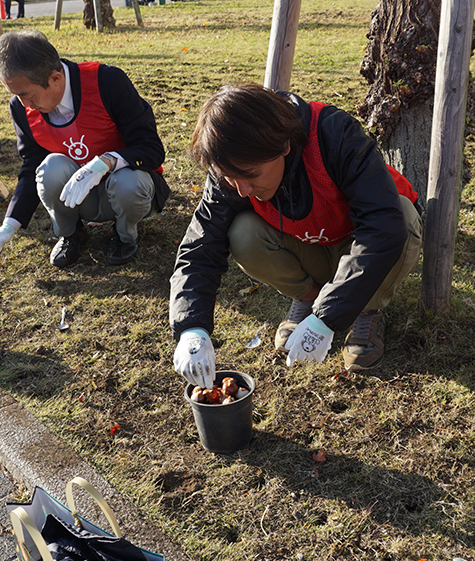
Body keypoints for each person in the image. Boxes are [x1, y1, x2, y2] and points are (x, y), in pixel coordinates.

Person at [170, 83, 423, 388]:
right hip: (311, 245)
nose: (242, 190)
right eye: (228, 178)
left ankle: (367, 311)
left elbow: (382, 227)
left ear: (284, 146)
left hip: (361, 247)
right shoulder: (230, 163)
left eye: (251, 175)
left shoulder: (334, 134)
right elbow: (200, 245)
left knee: (403, 218)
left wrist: (326, 318)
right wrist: (191, 328)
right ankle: (308, 297)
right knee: (243, 233)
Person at [0, 30, 169, 267]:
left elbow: (151, 148)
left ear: (55, 78)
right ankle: (71, 233)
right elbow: (31, 167)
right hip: (79, 198)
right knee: (50, 168)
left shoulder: (107, 82)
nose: (24, 104)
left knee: (128, 183)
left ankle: (125, 235)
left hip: (129, 189)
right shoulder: (21, 108)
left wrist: (105, 163)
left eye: (26, 95)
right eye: (16, 95)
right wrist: (9, 225)